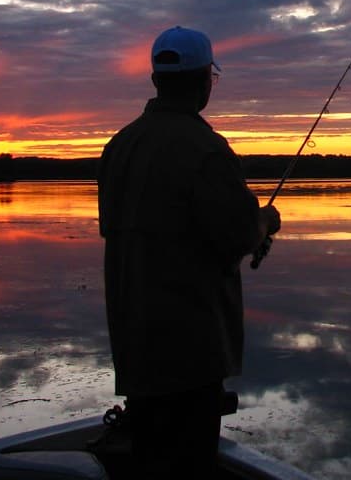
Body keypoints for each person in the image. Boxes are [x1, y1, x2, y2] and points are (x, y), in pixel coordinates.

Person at [98, 25, 281, 478]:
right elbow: (239, 235)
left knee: (149, 461)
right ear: (204, 80)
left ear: (156, 80)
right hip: (190, 353)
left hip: (136, 347)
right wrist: (266, 221)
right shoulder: (207, 150)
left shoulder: (118, 147)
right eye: (211, 79)